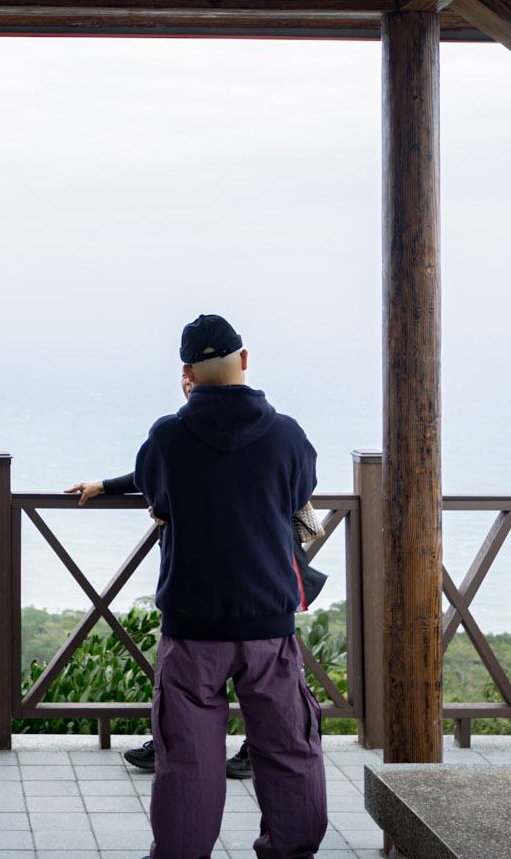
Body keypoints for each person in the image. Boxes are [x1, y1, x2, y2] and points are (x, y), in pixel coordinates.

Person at [134, 314, 327, 859]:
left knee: (188, 756)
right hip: (268, 620)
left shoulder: (169, 436)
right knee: (288, 746)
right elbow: (300, 492)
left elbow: (156, 496)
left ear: (187, 373)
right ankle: (291, 850)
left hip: (192, 623)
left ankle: (182, 853)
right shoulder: (286, 435)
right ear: (244, 359)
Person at [64, 464, 252, 781]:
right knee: (196, 667)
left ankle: (221, 748)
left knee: (204, 664)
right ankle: (174, 745)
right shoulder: (190, 442)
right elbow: (156, 468)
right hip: (227, 569)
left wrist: (166, 503)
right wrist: (106, 486)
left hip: (223, 570)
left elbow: (159, 470)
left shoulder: (183, 439)